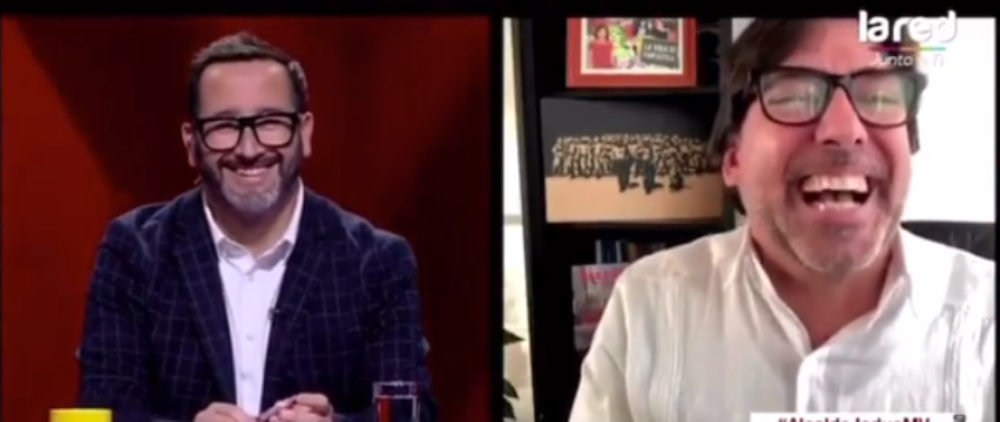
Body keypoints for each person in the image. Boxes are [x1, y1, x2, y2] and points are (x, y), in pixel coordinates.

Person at [570, 18, 995, 422]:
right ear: (733, 159)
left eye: (879, 98)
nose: (845, 129)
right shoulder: (648, 305)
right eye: (793, 96)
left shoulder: (987, 318)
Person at [77, 32, 436, 422]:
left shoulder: (376, 261)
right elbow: (103, 408)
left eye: (270, 122)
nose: (249, 150)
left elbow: (410, 415)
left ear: (305, 132)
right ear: (191, 143)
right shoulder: (135, 252)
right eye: (224, 126)